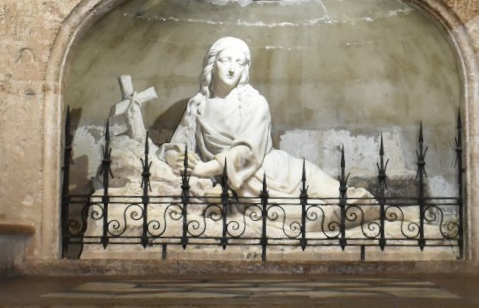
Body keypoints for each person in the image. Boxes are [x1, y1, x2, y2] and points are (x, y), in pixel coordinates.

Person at [160, 36, 377, 213]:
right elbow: (176, 145)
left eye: (239, 63)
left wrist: (204, 168)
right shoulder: (198, 104)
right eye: (225, 60)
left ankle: (386, 212)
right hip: (239, 182)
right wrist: (178, 158)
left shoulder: (254, 102)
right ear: (212, 63)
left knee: (349, 201)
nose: (232, 69)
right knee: (311, 215)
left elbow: (247, 151)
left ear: (245, 68)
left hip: (271, 172)